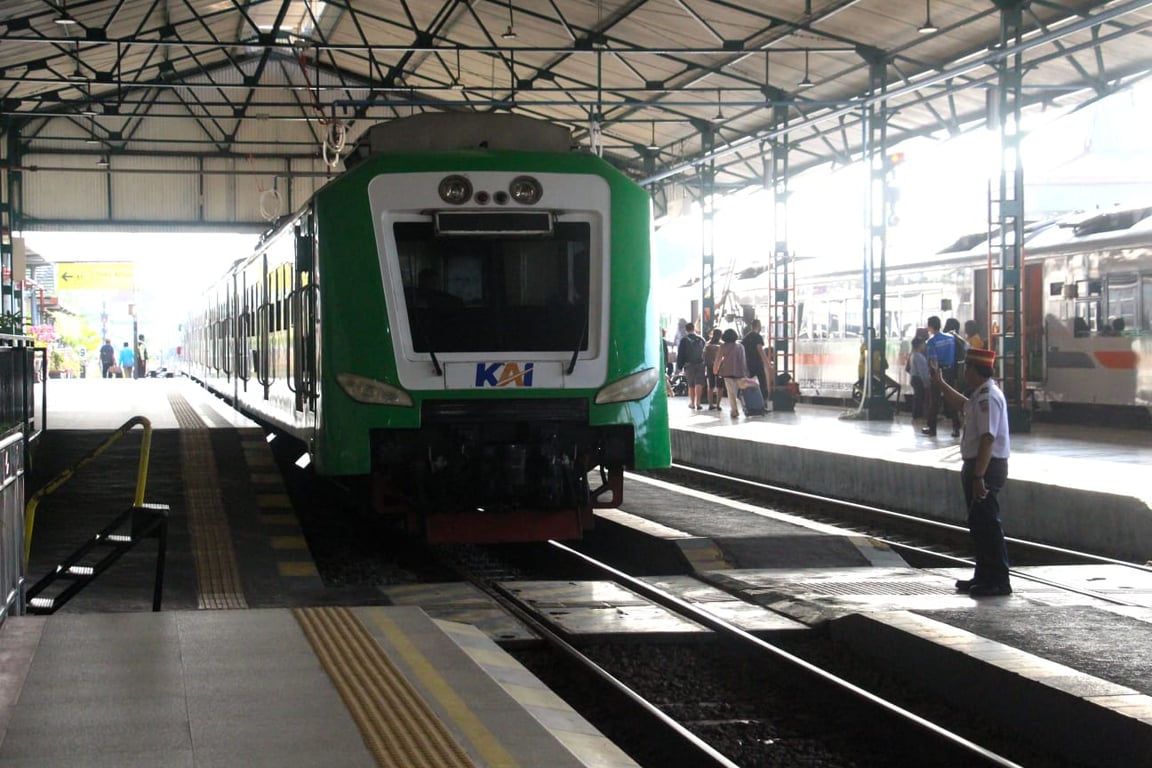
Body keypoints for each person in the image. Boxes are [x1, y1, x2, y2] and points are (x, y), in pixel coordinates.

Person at [931, 346, 1012, 597]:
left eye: (967, 367)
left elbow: (988, 438)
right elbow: (963, 405)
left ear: (976, 369)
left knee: (988, 524)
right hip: (978, 465)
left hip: (986, 467)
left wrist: (978, 476)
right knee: (978, 524)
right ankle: (984, 576)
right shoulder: (980, 395)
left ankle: (999, 581)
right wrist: (940, 383)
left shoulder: (989, 397)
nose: (964, 372)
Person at [923, 315, 961, 437]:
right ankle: (956, 427)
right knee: (951, 398)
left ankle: (932, 428)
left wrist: (935, 376)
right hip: (951, 371)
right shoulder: (951, 338)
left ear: (930, 327)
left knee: (935, 401)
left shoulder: (931, 342)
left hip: (938, 372)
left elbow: (933, 361)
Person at [713, 328, 748, 419]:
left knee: (731, 393)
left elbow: (718, 359)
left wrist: (715, 369)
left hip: (727, 372)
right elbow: (743, 360)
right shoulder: (740, 346)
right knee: (740, 392)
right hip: (740, 372)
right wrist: (745, 372)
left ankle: (734, 410)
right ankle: (745, 408)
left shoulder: (723, 346)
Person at [675, 322, 707, 410]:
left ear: (686, 330)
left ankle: (692, 403)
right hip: (700, 364)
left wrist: (679, 366)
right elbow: (705, 352)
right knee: (699, 383)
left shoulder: (684, 340)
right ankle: (698, 402)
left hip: (689, 365)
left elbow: (680, 354)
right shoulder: (701, 339)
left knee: (691, 384)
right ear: (694, 328)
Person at [741, 319, 772, 404]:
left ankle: (752, 402)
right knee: (762, 382)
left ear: (751, 326)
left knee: (750, 383)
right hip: (757, 363)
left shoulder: (746, 338)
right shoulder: (757, 337)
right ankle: (763, 403)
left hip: (748, 364)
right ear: (759, 326)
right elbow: (760, 350)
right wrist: (767, 364)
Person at [908, 336, 930, 427]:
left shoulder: (913, 355)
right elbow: (922, 371)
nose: (924, 346)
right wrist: (926, 383)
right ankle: (917, 416)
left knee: (918, 397)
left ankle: (917, 416)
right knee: (919, 398)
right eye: (923, 344)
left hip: (915, 378)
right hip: (918, 379)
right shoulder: (919, 357)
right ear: (920, 345)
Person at [703, 328, 723, 411]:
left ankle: (710, 404)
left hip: (709, 367)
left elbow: (703, 356)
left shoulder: (707, 344)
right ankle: (718, 405)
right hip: (720, 367)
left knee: (710, 386)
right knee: (720, 387)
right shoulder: (722, 345)